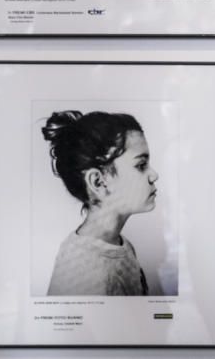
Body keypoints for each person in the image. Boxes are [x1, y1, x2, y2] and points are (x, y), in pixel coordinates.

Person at [41, 110, 158, 296]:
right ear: (98, 182)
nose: (154, 175)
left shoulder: (122, 246)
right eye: (140, 165)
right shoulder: (81, 272)